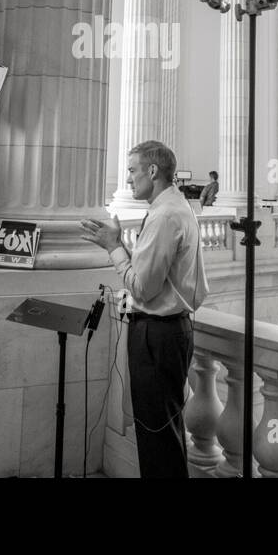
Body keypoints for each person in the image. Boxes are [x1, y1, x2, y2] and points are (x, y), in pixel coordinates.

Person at [80, 141, 207, 478]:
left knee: (156, 437)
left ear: (152, 171)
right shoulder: (174, 207)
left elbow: (141, 288)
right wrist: (120, 244)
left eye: (133, 170)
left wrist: (114, 249)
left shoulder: (165, 215)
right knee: (163, 433)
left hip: (157, 335)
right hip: (168, 332)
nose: (130, 178)